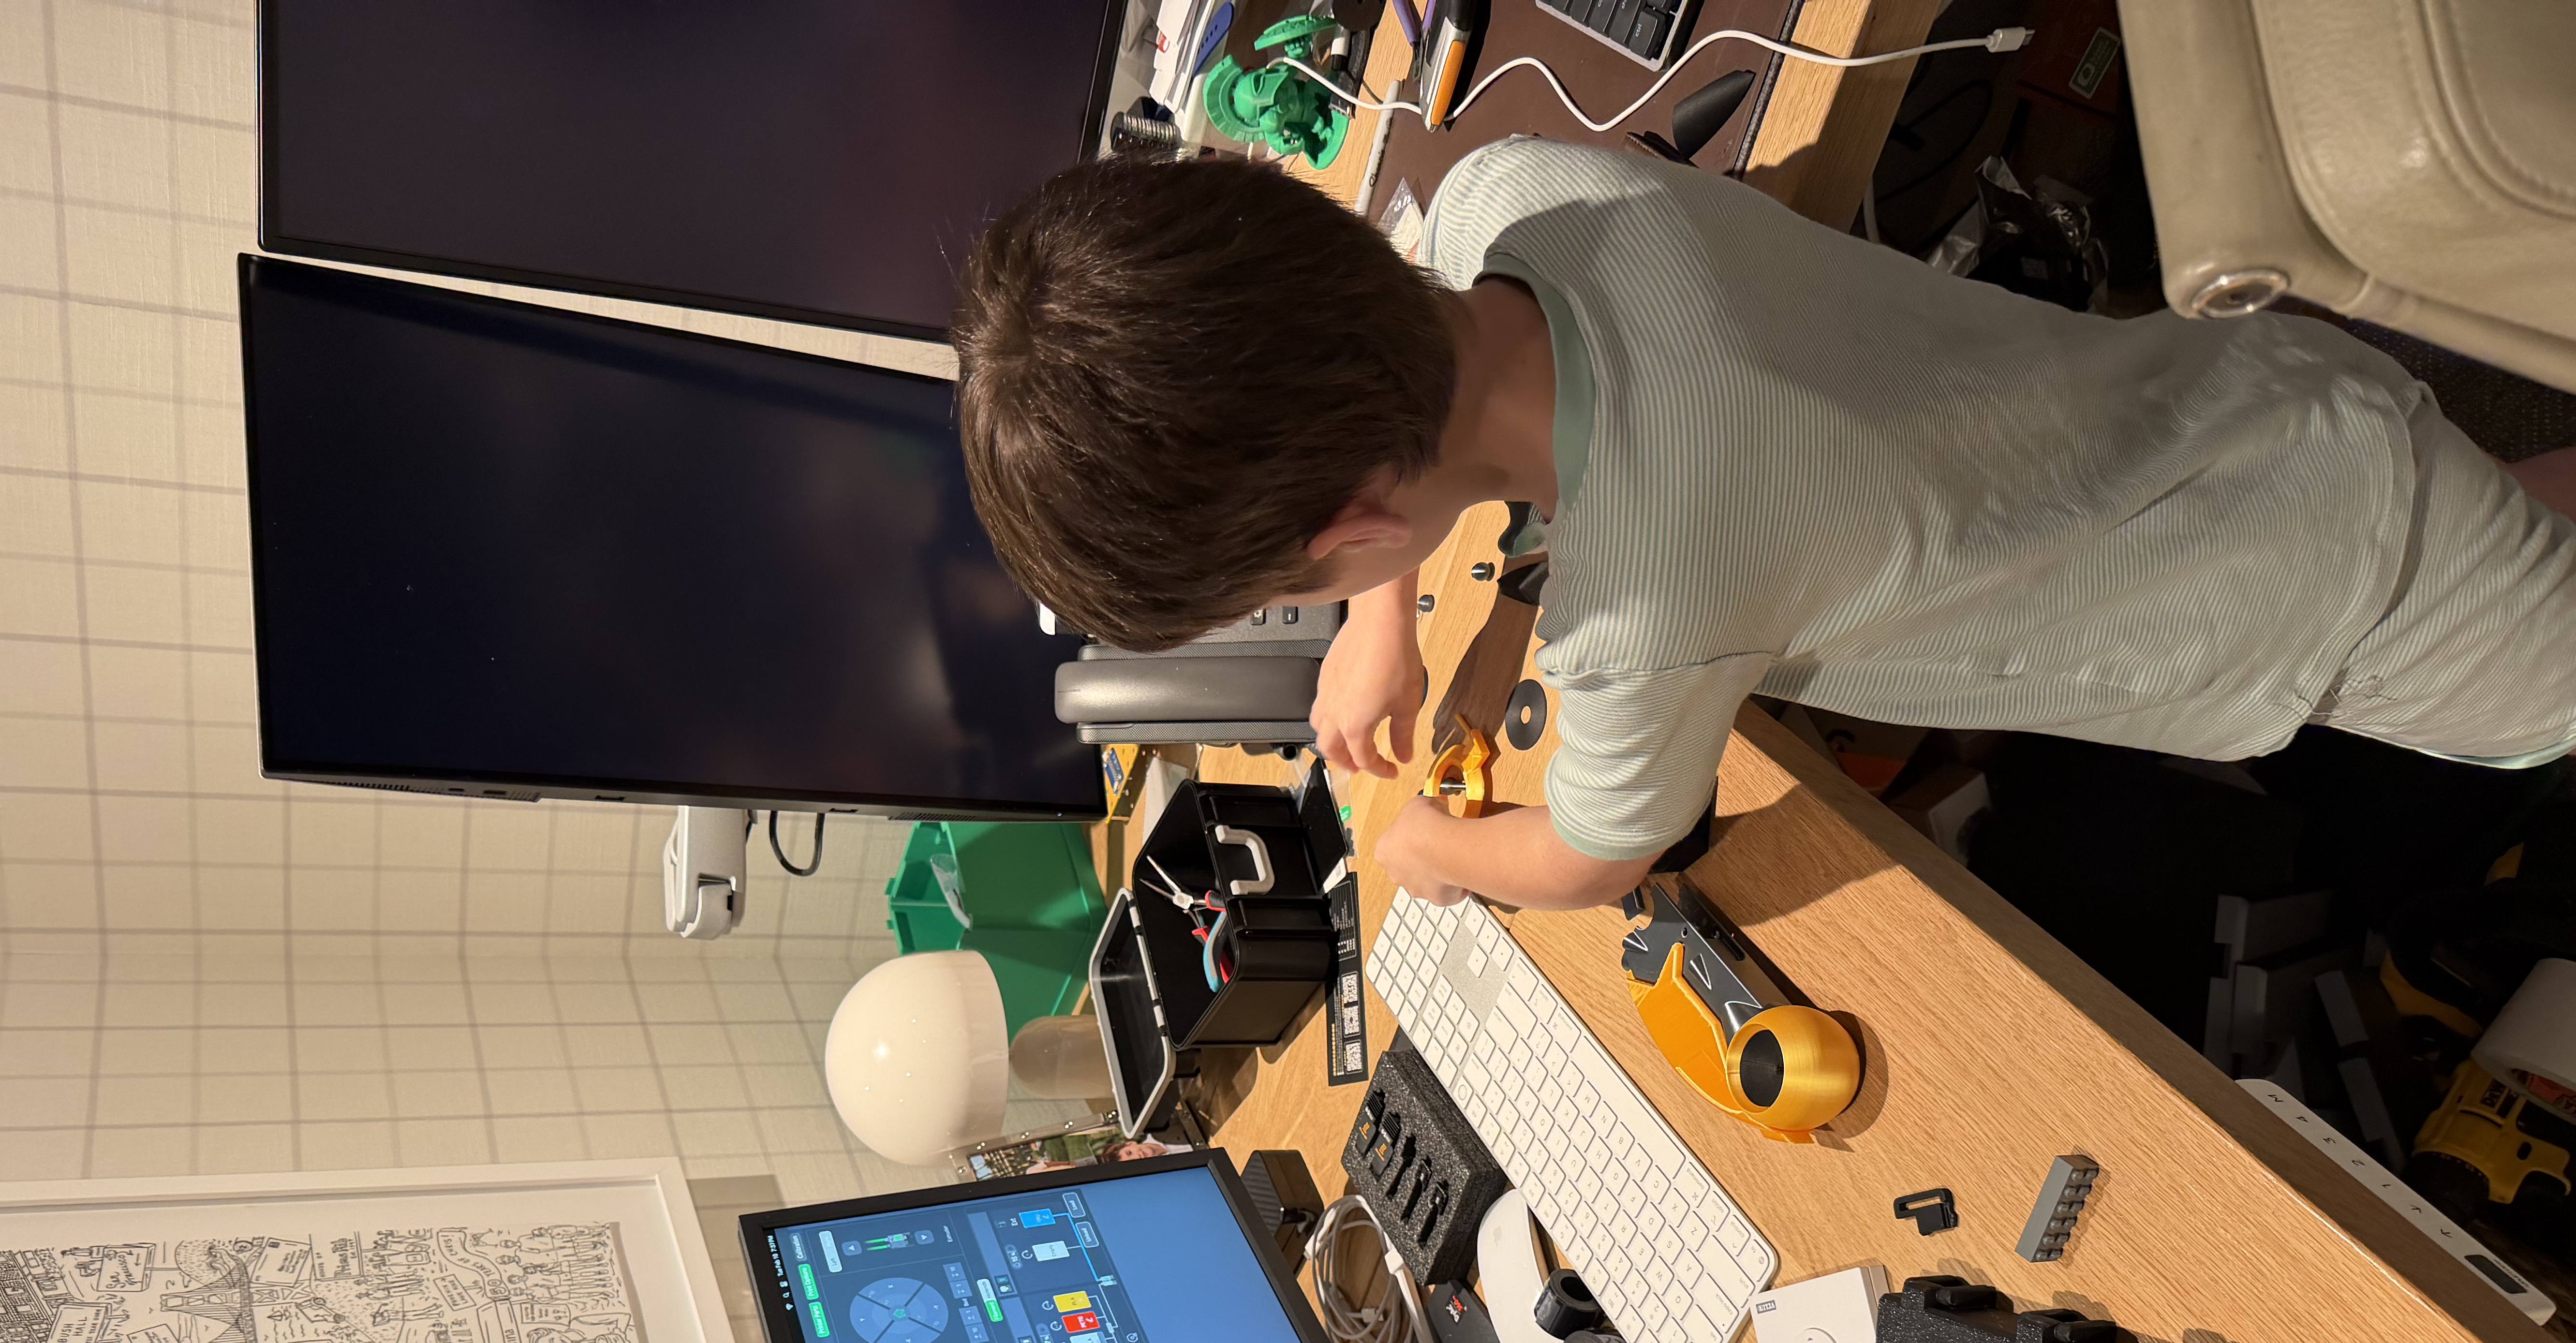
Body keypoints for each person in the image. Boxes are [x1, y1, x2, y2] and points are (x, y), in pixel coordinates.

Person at [953, 148, 2576, 912]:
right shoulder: (1530, 194)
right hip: (2253, 400)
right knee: (2498, 494)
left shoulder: (1646, 618)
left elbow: (1594, 857)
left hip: (2322, 602)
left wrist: (1426, 850)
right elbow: (1415, 235)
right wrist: (1387, 615)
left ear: (1364, 518)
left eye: (1291, 593)